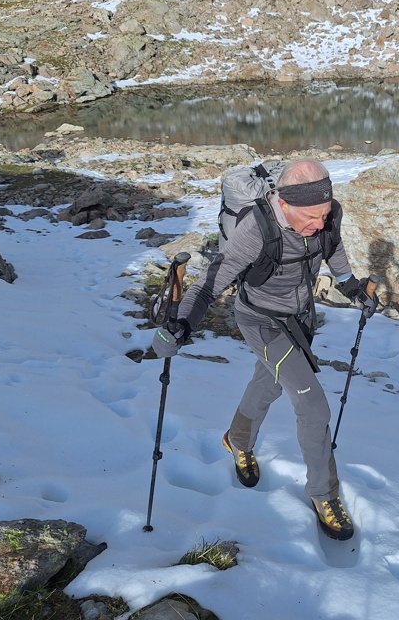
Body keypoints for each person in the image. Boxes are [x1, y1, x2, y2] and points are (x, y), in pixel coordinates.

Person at [151, 158, 377, 540]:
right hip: (261, 321)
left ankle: (237, 439)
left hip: (302, 318)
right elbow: (209, 284)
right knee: (312, 405)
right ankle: (324, 494)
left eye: (324, 214)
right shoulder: (256, 228)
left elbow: (332, 245)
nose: (318, 223)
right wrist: (183, 323)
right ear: (284, 203)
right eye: (310, 216)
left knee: (270, 382)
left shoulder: (327, 214)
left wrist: (351, 286)